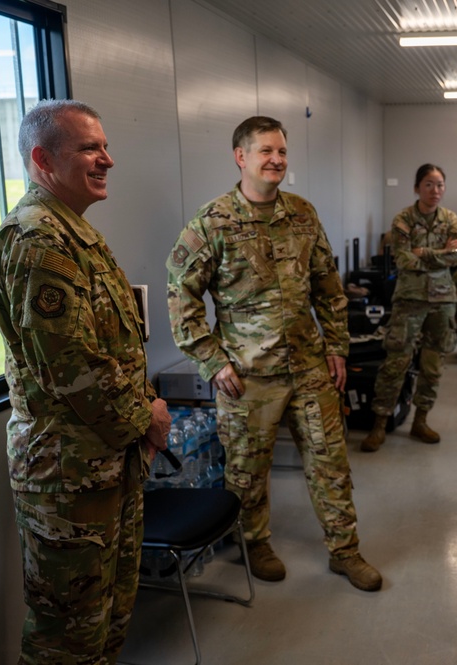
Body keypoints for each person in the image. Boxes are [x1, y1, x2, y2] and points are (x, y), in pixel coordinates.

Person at [0, 99, 172, 663]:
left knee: (106, 620)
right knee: (66, 638)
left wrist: (140, 416)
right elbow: (73, 370)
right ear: (43, 159)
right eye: (89, 149)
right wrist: (150, 416)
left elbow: (111, 349)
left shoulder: (75, 235)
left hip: (103, 464)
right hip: (67, 479)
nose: (107, 159)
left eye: (104, 146)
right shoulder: (38, 241)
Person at [166, 115, 382, 592]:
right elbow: (180, 295)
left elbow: (329, 286)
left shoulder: (302, 214)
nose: (276, 160)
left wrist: (338, 347)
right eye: (265, 151)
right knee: (247, 470)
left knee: (331, 463)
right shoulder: (212, 222)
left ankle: (345, 551)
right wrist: (212, 360)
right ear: (240, 157)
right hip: (247, 375)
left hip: (308, 367)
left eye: (282, 151)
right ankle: (255, 542)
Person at [360, 164, 457, 452]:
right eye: (429, 184)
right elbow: (404, 260)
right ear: (417, 187)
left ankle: (420, 420)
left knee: (433, 365)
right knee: (396, 362)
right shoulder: (403, 219)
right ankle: (379, 423)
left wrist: (427, 253)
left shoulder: (451, 220)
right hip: (410, 300)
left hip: (442, 301)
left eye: (440, 184)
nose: (435, 191)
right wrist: (441, 252)